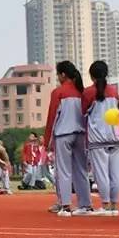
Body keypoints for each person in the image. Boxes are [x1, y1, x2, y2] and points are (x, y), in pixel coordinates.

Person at [44, 61, 91, 216]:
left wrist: (47, 141)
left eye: (58, 74)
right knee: (81, 170)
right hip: (80, 134)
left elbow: (52, 117)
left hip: (63, 135)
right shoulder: (82, 93)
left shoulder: (58, 92)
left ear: (63, 75)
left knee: (63, 171)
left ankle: (65, 205)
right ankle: (85, 204)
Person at [82, 60, 119, 216]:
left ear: (91, 76)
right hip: (115, 137)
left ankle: (105, 204)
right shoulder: (114, 91)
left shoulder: (88, 92)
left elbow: (83, 113)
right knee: (115, 174)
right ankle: (114, 205)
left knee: (101, 174)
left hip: (97, 139)